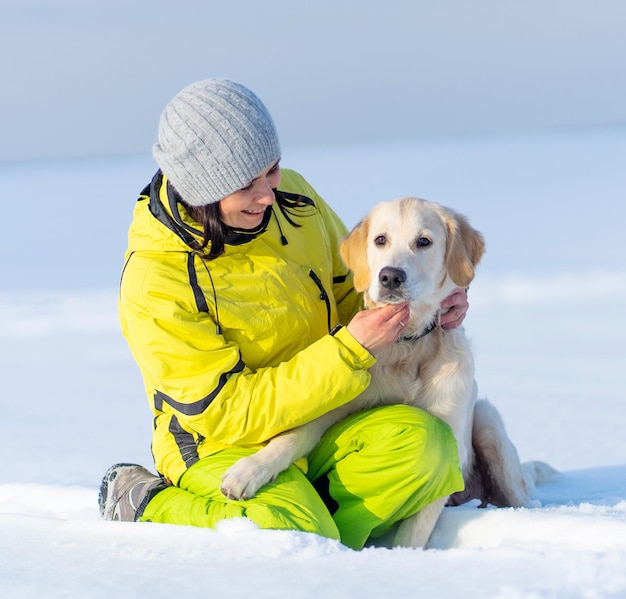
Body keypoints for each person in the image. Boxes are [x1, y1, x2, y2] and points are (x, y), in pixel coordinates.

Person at [98, 78, 468, 550]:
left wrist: (428, 304)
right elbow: (228, 413)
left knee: (430, 449)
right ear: (203, 191)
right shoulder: (157, 282)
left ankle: (316, 522)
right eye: (247, 185)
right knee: (292, 533)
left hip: (321, 419)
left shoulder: (295, 199)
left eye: (272, 170)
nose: (268, 194)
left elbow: (355, 292)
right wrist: (349, 352)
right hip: (221, 444)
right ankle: (149, 503)